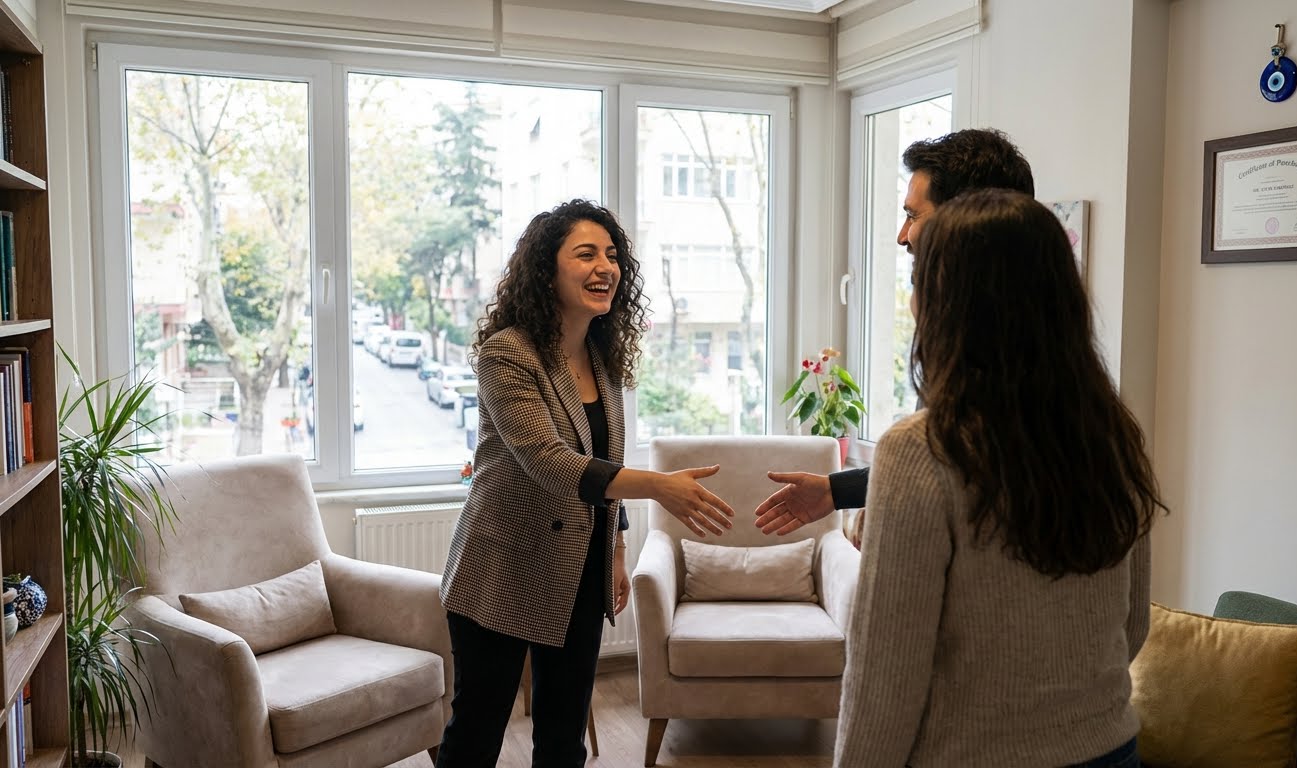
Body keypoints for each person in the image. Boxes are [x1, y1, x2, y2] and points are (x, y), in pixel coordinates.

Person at [833, 189, 1165, 767]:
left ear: (946, 304)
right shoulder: (1112, 433)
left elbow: (885, 679)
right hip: (1110, 748)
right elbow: (1131, 625)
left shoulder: (921, 450)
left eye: (917, 283)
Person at [435, 199, 735, 768]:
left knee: (563, 734)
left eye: (613, 255)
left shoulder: (601, 355)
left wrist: (616, 548)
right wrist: (659, 486)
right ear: (547, 270)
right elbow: (547, 460)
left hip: (580, 567)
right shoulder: (507, 353)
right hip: (501, 566)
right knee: (477, 730)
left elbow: (605, 460)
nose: (606, 267)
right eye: (586, 254)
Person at [754, 127, 1035, 535]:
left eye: (913, 215)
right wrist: (839, 491)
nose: (903, 237)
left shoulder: (985, 375)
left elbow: (938, 469)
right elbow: (943, 461)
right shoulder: (1098, 420)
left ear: (964, 222)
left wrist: (888, 511)